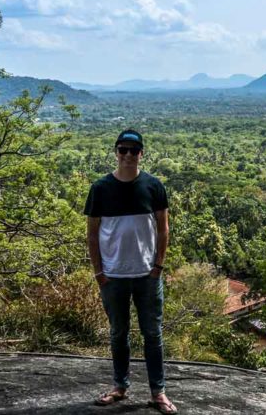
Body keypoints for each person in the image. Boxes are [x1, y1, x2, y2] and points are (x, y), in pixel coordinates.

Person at [84, 129, 178, 414]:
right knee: (118, 333)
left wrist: (158, 266)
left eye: (133, 150)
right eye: (122, 149)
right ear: (116, 152)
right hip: (113, 276)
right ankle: (120, 387)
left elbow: (163, 229)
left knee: (153, 334)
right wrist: (99, 272)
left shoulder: (153, 186)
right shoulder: (100, 188)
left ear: (141, 154)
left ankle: (158, 392)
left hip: (147, 275)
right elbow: (91, 234)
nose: (127, 155)